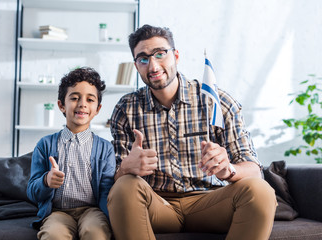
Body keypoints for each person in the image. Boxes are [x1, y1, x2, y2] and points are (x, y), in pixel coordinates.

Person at [107, 24, 277, 240]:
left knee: (260, 191)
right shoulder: (126, 108)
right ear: (136, 65)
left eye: (160, 54)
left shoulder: (218, 102)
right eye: (143, 59)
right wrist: (125, 169)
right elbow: (113, 180)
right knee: (124, 186)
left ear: (176, 55)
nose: (153, 65)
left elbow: (254, 169)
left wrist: (228, 169)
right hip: (157, 205)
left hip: (210, 202)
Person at [27, 67, 116, 240]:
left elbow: (107, 191)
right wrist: (46, 181)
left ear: (97, 108)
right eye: (75, 98)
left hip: (92, 211)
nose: (82, 103)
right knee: (53, 235)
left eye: (90, 100)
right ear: (61, 105)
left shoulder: (105, 149)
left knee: (96, 233)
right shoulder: (45, 145)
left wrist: (112, 219)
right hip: (58, 212)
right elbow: (32, 191)